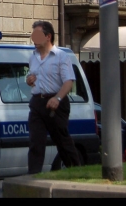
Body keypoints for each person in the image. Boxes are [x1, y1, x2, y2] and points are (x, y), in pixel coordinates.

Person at [26, 20, 81, 174]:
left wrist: (57, 98)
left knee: (62, 140)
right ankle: (34, 176)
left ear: (48, 36)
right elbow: (32, 76)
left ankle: (76, 170)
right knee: (36, 141)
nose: (34, 40)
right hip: (37, 102)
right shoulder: (33, 57)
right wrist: (29, 80)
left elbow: (68, 81)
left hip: (57, 102)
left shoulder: (61, 56)